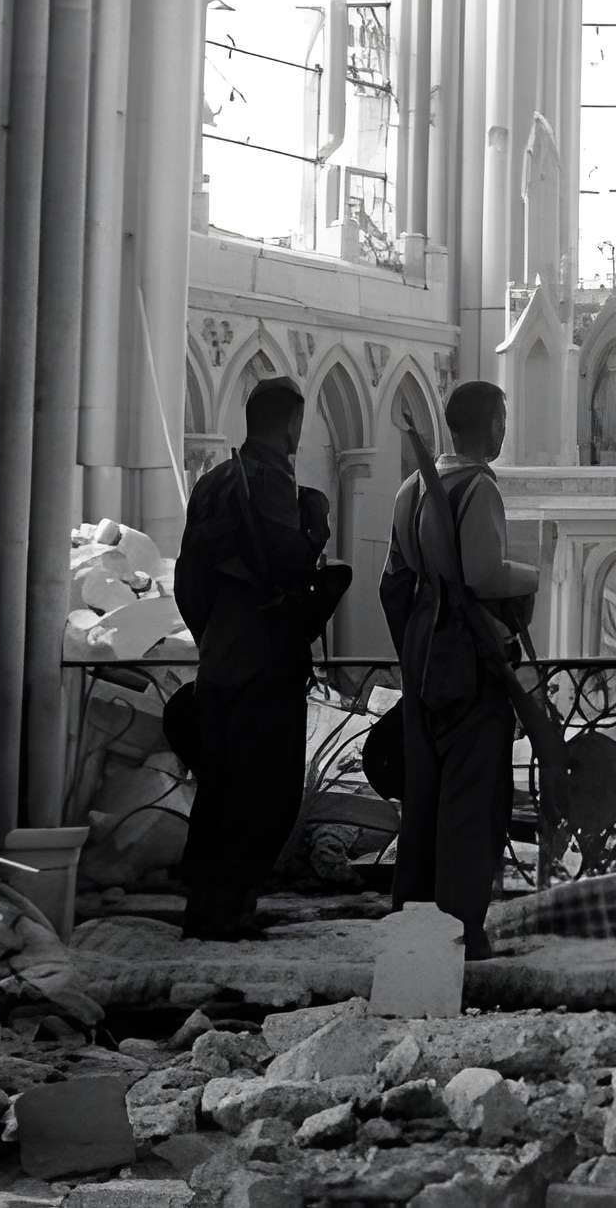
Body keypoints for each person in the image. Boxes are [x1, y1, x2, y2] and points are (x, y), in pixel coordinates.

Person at [172, 375, 349, 939]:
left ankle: (208, 907)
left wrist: (211, 635)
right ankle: (231, 909)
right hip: (266, 659)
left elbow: (186, 580)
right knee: (266, 790)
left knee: (221, 785)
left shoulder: (213, 481)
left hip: (221, 656)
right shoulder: (272, 483)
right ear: (292, 423)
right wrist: (316, 527)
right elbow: (288, 566)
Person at [380, 379, 539, 952]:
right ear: (491, 424)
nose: (504, 429)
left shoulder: (410, 489)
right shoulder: (477, 487)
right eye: (503, 419)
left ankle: (413, 930)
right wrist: (534, 575)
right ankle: (460, 934)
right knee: (471, 798)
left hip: (423, 652)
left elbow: (391, 583)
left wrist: (413, 649)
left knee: (423, 799)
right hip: (468, 655)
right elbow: (483, 575)